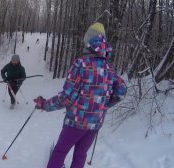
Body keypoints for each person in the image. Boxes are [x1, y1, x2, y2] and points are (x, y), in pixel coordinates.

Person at [33, 22, 127, 168]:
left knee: (60, 151)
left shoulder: (81, 64)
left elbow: (67, 98)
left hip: (76, 121)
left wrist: (45, 105)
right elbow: (121, 91)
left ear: (88, 42)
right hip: (95, 123)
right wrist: (103, 106)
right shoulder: (109, 67)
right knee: (81, 154)